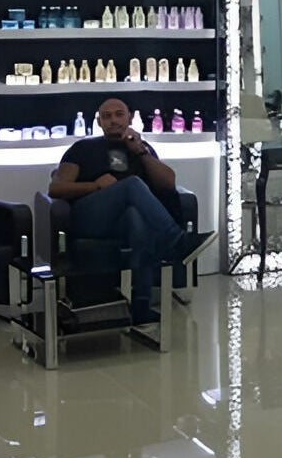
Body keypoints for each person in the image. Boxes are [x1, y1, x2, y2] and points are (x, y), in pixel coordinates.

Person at [49, 97, 206, 324]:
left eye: (119, 114)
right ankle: (176, 241)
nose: (113, 120)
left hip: (122, 222)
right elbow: (56, 188)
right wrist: (94, 186)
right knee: (132, 185)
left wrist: (140, 151)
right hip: (90, 216)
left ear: (130, 117)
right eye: (107, 116)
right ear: (99, 122)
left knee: (137, 217)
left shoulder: (141, 149)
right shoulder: (82, 148)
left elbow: (168, 183)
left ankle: (141, 305)